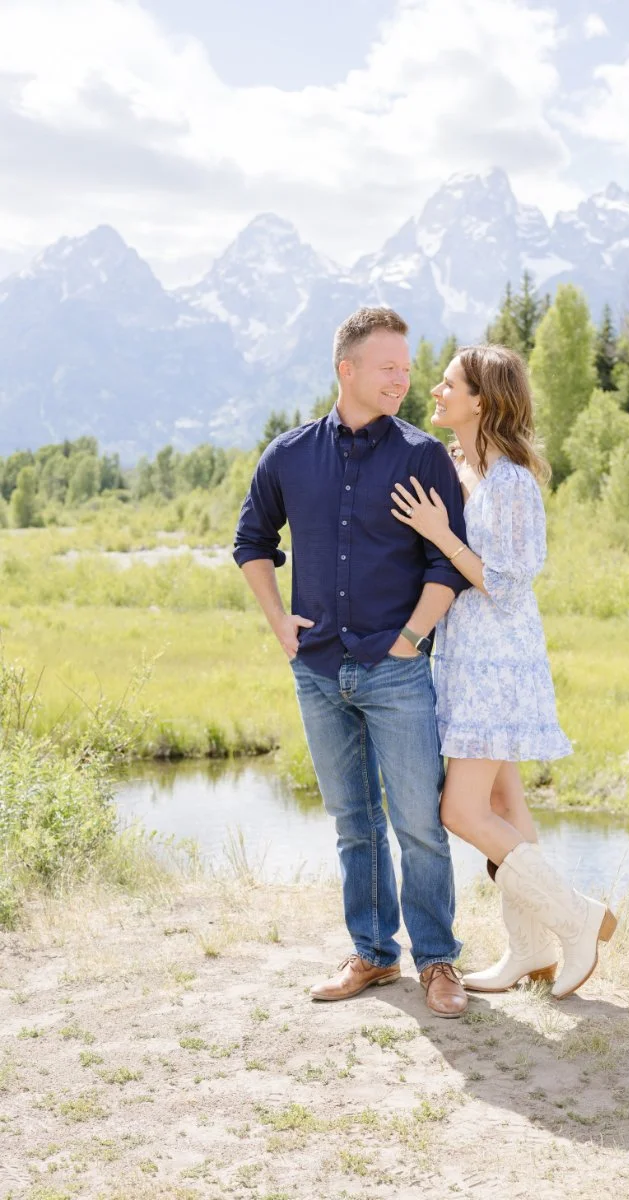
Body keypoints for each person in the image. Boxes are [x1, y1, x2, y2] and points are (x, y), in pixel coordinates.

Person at [233, 306, 472, 1018]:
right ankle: (372, 953)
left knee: (419, 823)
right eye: (388, 367)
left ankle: (438, 961)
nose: (403, 379)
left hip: (396, 669)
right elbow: (251, 542)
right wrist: (278, 621)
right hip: (316, 669)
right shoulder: (288, 455)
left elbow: (447, 564)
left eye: (407, 367)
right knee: (353, 821)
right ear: (348, 369)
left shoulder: (422, 455)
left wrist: (410, 639)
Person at [390, 344, 616, 1000]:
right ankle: (530, 950)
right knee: (503, 805)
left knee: (459, 809)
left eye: (449, 384)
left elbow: (508, 583)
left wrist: (441, 533)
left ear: (482, 401)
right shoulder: (459, 466)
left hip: (499, 664)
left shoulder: (513, 482)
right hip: (463, 660)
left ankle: (574, 919)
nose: (436, 391)